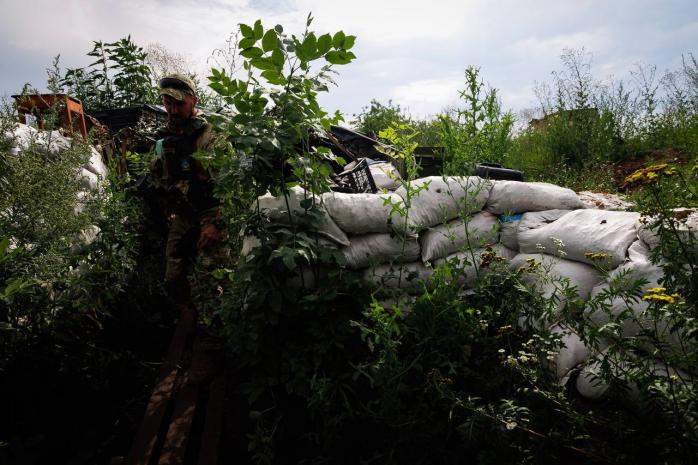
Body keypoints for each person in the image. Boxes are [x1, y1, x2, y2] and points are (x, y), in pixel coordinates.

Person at [150, 74, 221, 305]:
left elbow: (231, 188)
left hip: (213, 212)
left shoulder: (211, 136)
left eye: (179, 104)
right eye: (168, 104)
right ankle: (187, 315)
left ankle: (211, 332)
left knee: (211, 280)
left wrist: (216, 224)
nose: (172, 110)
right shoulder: (167, 138)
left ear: (194, 101)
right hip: (185, 213)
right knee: (173, 276)